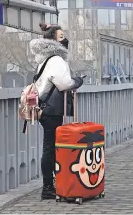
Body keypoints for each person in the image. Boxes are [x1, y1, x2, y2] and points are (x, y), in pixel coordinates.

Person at [29, 23, 84, 200]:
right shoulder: (57, 60)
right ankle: (47, 187)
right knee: (50, 148)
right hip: (52, 110)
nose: (65, 39)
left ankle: (51, 184)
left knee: (50, 147)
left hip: (44, 109)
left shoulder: (44, 60)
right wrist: (77, 81)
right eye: (61, 37)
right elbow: (64, 83)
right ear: (54, 41)